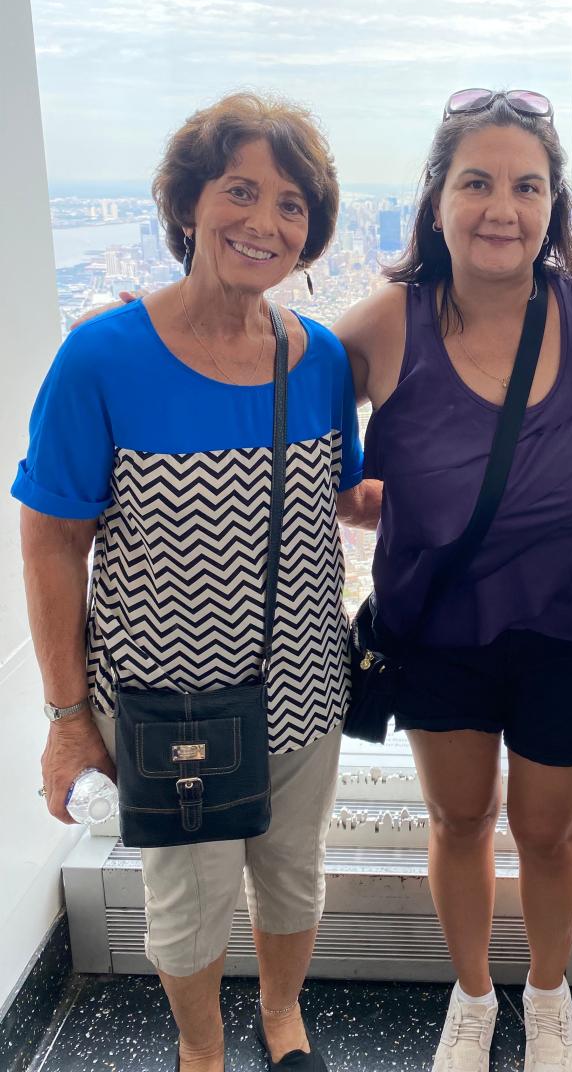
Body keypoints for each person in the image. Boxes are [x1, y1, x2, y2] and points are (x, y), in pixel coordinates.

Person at [14, 93, 378, 1072]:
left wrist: (450, 493)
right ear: (186, 205)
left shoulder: (321, 356)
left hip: (305, 679)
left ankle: (285, 1013)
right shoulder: (104, 356)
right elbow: (52, 539)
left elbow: (336, 493)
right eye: (241, 191)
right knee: (188, 902)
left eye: (293, 204)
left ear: (313, 231)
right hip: (166, 698)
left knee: (295, 878)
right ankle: (201, 1045)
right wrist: (64, 715)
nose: (266, 222)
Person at [335, 88, 572, 1072]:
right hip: (439, 628)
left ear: (555, 203)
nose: (501, 206)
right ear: (436, 195)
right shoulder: (381, 325)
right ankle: (472, 997)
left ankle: (548, 996)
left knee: (553, 834)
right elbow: (289, 429)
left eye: (526, 185)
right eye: (477, 181)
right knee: (460, 819)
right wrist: (366, 493)